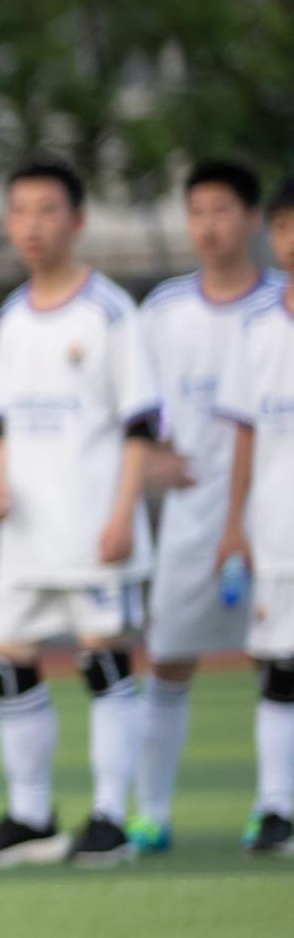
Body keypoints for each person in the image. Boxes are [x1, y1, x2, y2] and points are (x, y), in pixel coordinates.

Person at [0, 159, 163, 869]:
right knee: (7, 662)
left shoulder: (109, 311)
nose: (32, 225)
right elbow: (2, 420)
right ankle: (31, 813)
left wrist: (123, 516)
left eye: (47, 210)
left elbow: (140, 424)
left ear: (77, 221)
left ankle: (111, 815)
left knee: (102, 659)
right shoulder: (12, 315)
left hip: (93, 525)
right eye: (20, 211)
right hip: (25, 534)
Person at [132, 160, 282, 853]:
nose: (208, 226)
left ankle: (274, 806)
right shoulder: (163, 311)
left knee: (277, 662)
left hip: (274, 520)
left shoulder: (278, 306)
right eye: (196, 212)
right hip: (192, 519)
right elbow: (132, 408)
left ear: (252, 220)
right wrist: (150, 460)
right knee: (167, 659)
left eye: (222, 210)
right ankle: (151, 813)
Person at [213, 176, 294, 856]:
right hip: (277, 532)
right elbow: (245, 434)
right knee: (278, 669)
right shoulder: (258, 326)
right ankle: (275, 806)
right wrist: (233, 524)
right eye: (287, 226)